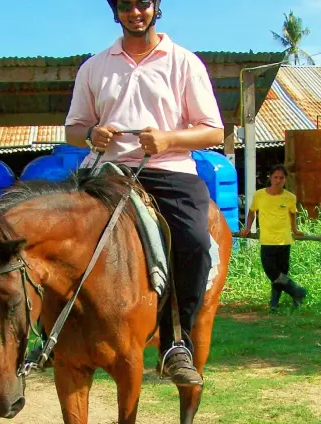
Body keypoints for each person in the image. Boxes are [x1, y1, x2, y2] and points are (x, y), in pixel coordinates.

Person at [64, 0, 224, 387]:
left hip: (168, 172)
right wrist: (90, 135)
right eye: (125, 6)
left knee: (194, 242)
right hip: (105, 173)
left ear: (156, 7)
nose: (135, 12)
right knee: (56, 238)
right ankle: (57, 334)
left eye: (142, 3)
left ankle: (176, 343)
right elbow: (73, 130)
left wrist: (169, 138)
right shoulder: (95, 66)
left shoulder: (184, 62)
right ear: (115, 12)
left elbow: (214, 132)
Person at [239, 164, 307, 311]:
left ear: (285, 180)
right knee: (272, 271)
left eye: (281, 178)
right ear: (270, 177)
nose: (278, 180)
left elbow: (293, 214)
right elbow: (252, 212)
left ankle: (274, 304)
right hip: (267, 241)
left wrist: (295, 229)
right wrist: (247, 228)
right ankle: (297, 291)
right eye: (275, 177)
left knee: (281, 274)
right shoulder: (259, 195)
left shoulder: (290, 197)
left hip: (284, 241)